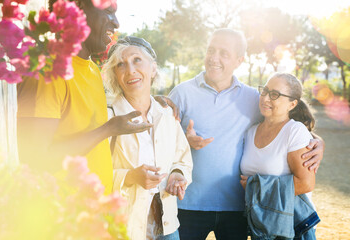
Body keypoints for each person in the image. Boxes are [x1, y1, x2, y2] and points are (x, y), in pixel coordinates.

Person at [168, 29, 324, 239]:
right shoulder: (181, 93)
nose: (214, 58)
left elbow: (283, 124)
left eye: (224, 53)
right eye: (211, 50)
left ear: (239, 60)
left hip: (237, 208)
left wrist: (317, 142)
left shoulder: (253, 98)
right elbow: (158, 141)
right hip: (188, 202)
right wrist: (183, 142)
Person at [16, 0, 152, 194]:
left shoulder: (92, 70)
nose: (116, 23)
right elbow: (35, 159)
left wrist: (158, 103)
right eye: (108, 11)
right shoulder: (48, 70)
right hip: (63, 215)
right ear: (78, 7)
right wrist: (108, 129)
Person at [102, 36, 193, 240]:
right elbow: (95, 173)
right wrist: (130, 177)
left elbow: (183, 159)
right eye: (121, 65)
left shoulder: (167, 115)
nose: (130, 70)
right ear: (115, 76)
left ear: (153, 69)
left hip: (167, 227)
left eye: (137, 60)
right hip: (123, 228)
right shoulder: (108, 117)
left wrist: (177, 175)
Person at [240, 73, 319, 239]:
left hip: (293, 226)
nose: (266, 98)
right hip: (261, 227)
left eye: (274, 94)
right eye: (265, 91)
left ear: (292, 104)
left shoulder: (294, 131)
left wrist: (256, 188)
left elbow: (306, 183)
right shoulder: (250, 131)